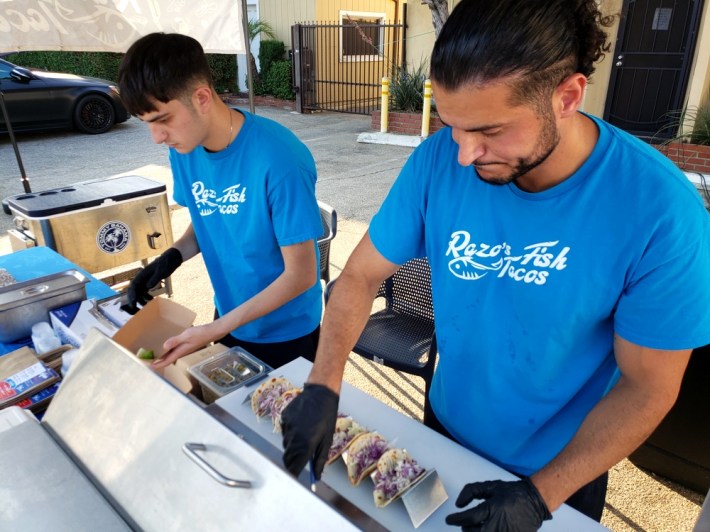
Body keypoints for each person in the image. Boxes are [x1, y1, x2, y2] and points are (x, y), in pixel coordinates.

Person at [281, 0, 710, 529]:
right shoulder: (439, 160)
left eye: (489, 130)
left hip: (558, 469)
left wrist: (540, 496)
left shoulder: (659, 211)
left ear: (567, 97)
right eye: (452, 125)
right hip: (442, 424)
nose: (463, 153)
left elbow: (649, 387)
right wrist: (324, 383)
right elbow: (361, 276)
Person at [117, 33, 323, 370]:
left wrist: (214, 329)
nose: (157, 138)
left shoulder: (280, 159)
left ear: (201, 97)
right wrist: (170, 258)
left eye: (162, 120)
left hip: (285, 331)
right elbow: (208, 217)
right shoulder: (184, 150)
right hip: (229, 313)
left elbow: (301, 275)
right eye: (147, 125)